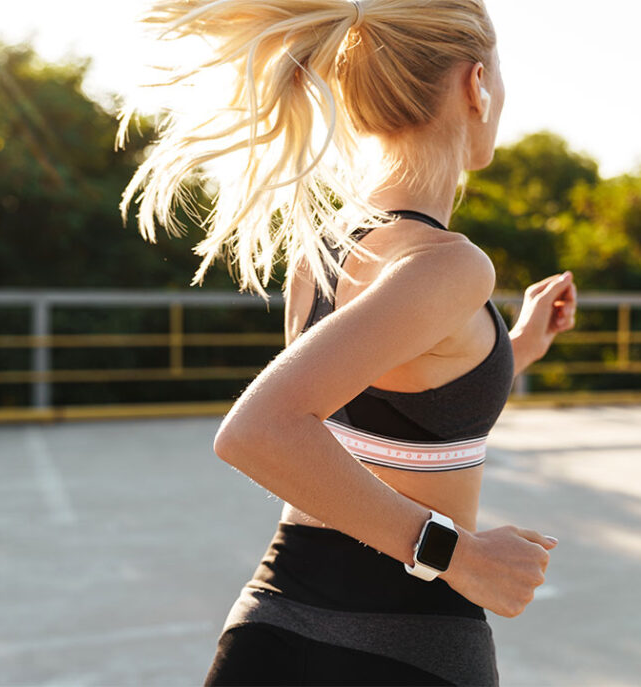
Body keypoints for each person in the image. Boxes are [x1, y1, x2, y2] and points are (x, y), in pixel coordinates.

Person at [118, 0, 578, 683]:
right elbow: (258, 431)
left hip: (270, 631)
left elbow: (390, 417)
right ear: (476, 84)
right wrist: (461, 556)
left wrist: (512, 347)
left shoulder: (323, 252)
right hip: (405, 648)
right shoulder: (450, 264)